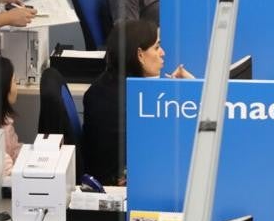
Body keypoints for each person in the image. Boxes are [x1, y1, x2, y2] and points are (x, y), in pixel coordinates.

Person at [82, 19, 193, 185]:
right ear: (140, 55)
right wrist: (190, 91)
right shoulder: (130, 102)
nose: (162, 53)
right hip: (126, 185)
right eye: (156, 47)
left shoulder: (109, 83)